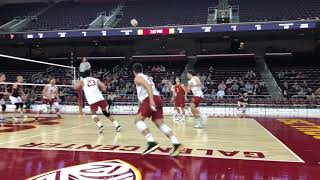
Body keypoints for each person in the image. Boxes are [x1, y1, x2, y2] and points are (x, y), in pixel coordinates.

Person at [132, 63, 182, 156]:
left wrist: (151, 100)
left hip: (150, 98)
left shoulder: (138, 77)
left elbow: (148, 86)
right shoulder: (147, 76)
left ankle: (151, 142)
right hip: (158, 98)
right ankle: (176, 143)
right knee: (160, 123)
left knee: (137, 121)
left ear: (134, 71)